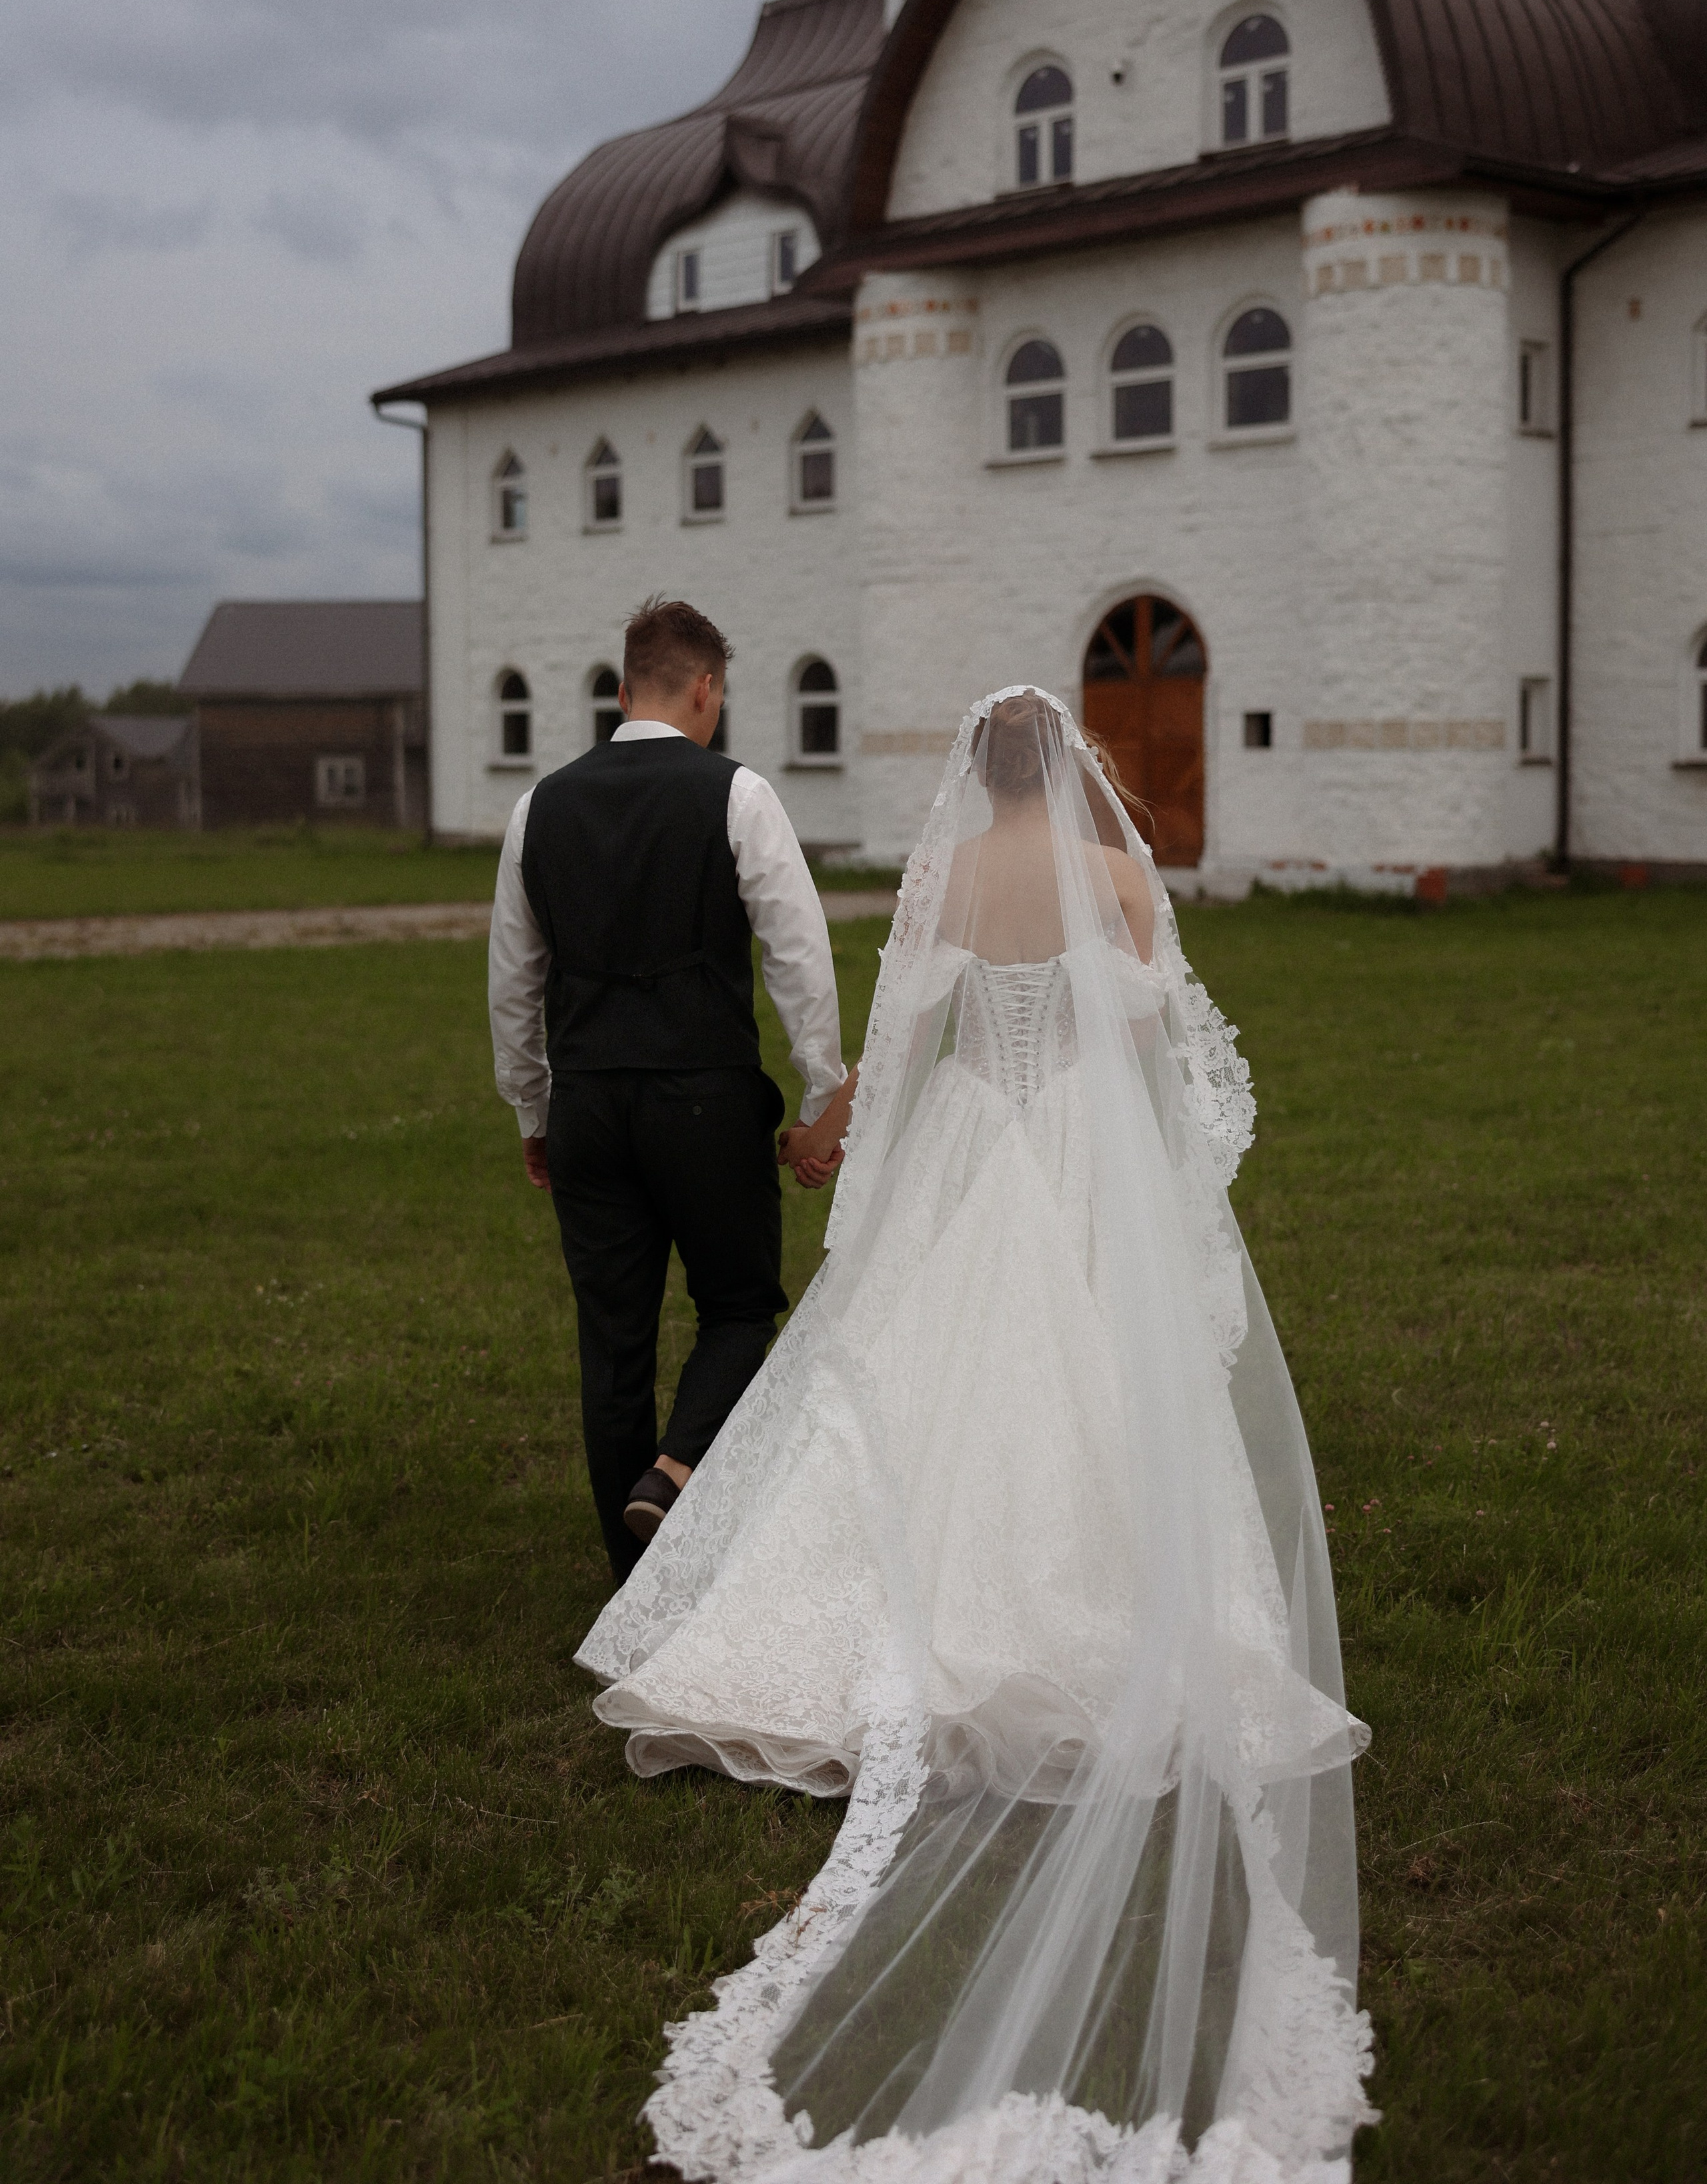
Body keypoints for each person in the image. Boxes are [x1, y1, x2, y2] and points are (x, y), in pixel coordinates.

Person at [577, 687, 1376, 2182]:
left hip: (965, 1139)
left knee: (898, 1382)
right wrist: (1156, 1188)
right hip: (1081, 1149)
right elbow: (1167, 1051)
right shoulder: (1127, 880)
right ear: (1069, 767)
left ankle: (858, 1617)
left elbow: (909, 1031)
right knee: (1094, 1387)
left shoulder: (943, 878)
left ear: (973, 772)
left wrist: (834, 1150)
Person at [488, 596, 845, 1581]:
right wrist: (823, 1094)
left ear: (618, 691)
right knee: (737, 1307)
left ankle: (628, 1573)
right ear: (705, 689)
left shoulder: (537, 807)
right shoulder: (738, 795)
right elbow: (796, 952)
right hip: (705, 1098)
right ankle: (676, 1473)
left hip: (591, 1106)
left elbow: (513, 980)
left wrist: (534, 1110)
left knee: (612, 1341)